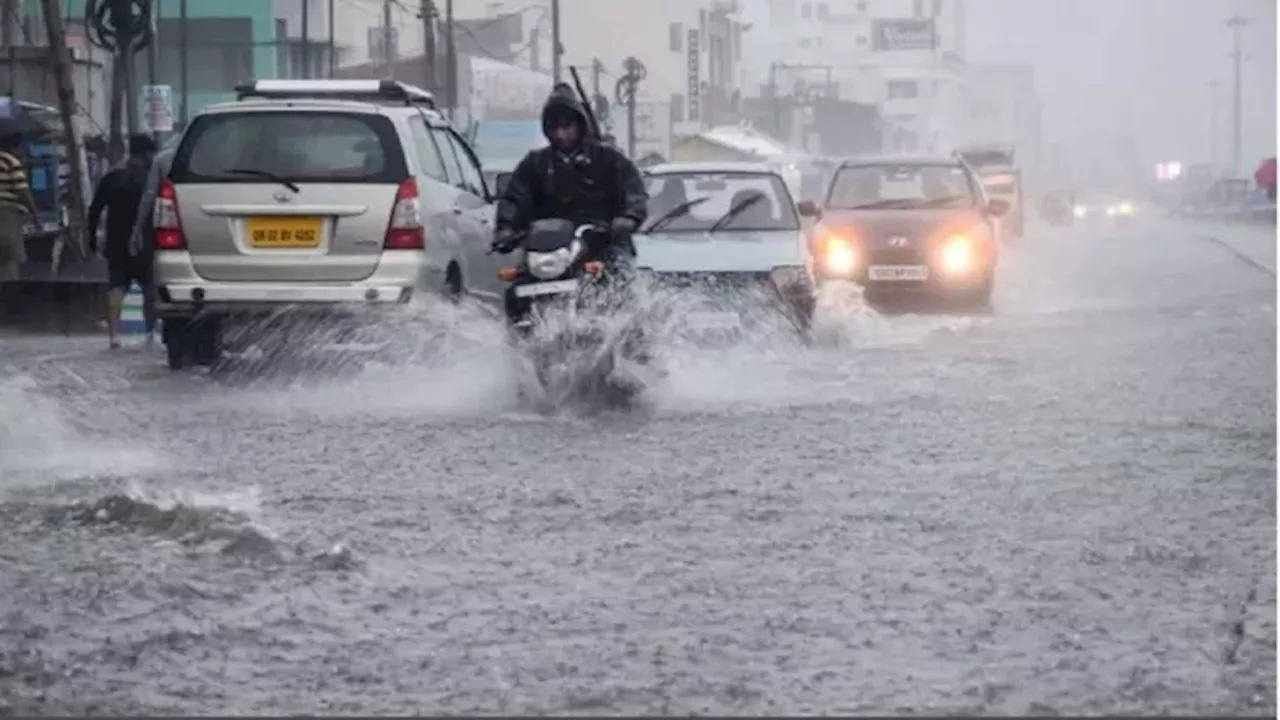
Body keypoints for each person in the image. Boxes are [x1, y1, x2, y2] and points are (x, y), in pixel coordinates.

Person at [87, 133, 157, 348]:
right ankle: (150, 335)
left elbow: (95, 210)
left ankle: (114, 336)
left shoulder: (112, 178)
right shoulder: (150, 180)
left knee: (117, 287)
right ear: (147, 155)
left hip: (116, 242)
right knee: (149, 289)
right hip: (144, 243)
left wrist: (91, 238)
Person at [0, 133, 39, 322]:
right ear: (13, 146)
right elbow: (23, 191)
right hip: (7, 214)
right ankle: (11, 311)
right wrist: (35, 214)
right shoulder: (11, 162)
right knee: (10, 261)